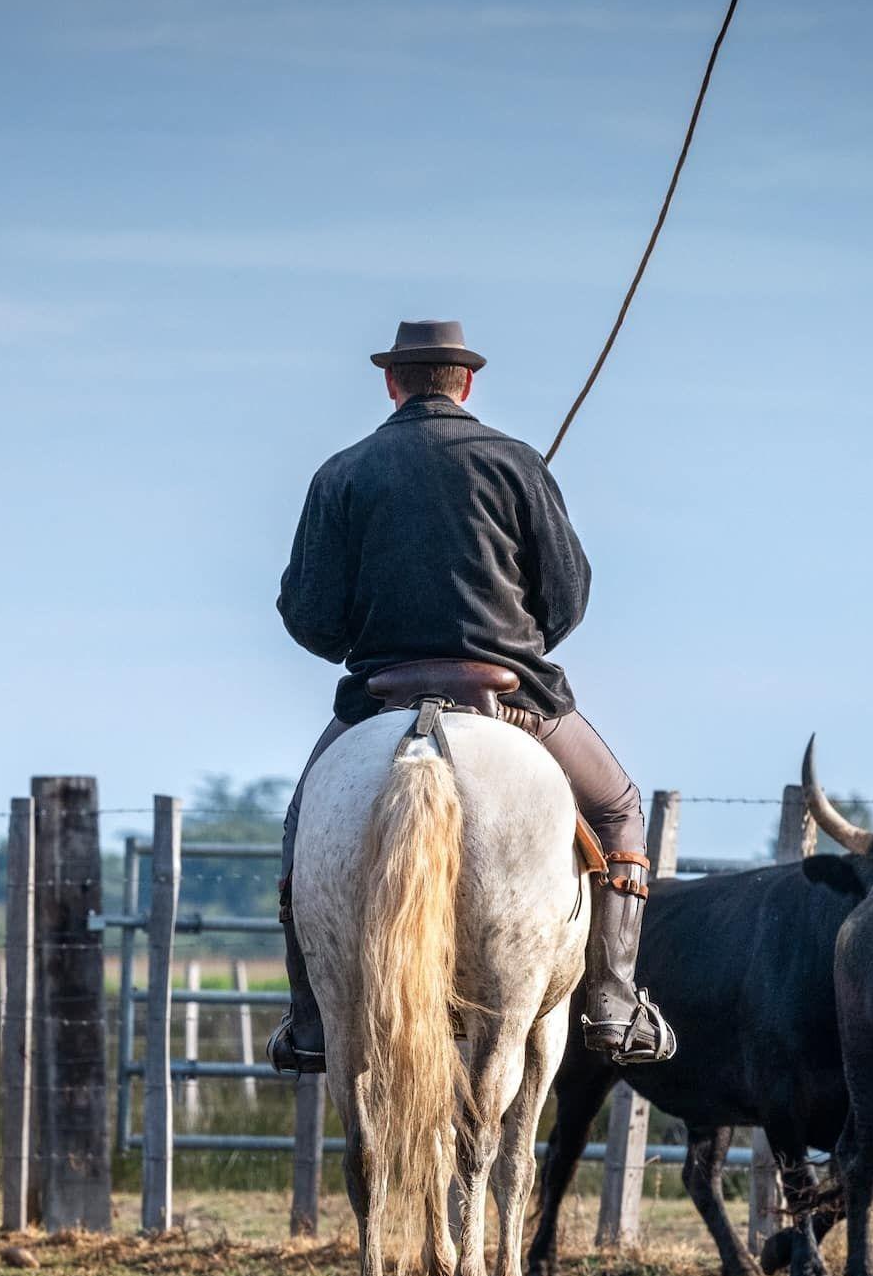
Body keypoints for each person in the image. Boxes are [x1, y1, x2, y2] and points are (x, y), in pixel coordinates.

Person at [269, 318, 673, 1073]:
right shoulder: (516, 463)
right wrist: (516, 633)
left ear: (392, 382)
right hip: (508, 693)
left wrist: (358, 641)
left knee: (301, 831)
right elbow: (569, 598)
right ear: (466, 383)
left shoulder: (341, 473)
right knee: (618, 810)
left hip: (379, 698)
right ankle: (615, 1001)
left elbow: (310, 617)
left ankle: (311, 1018)